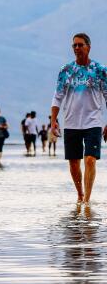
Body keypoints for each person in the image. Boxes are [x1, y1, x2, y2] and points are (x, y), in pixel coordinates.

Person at [50, 33, 107, 205]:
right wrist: (54, 120)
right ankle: (80, 195)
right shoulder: (65, 71)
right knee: (74, 163)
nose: (77, 48)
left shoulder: (100, 70)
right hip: (71, 122)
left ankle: (87, 201)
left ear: (88, 47)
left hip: (93, 122)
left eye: (80, 45)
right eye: (74, 45)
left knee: (89, 159)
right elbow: (57, 97)